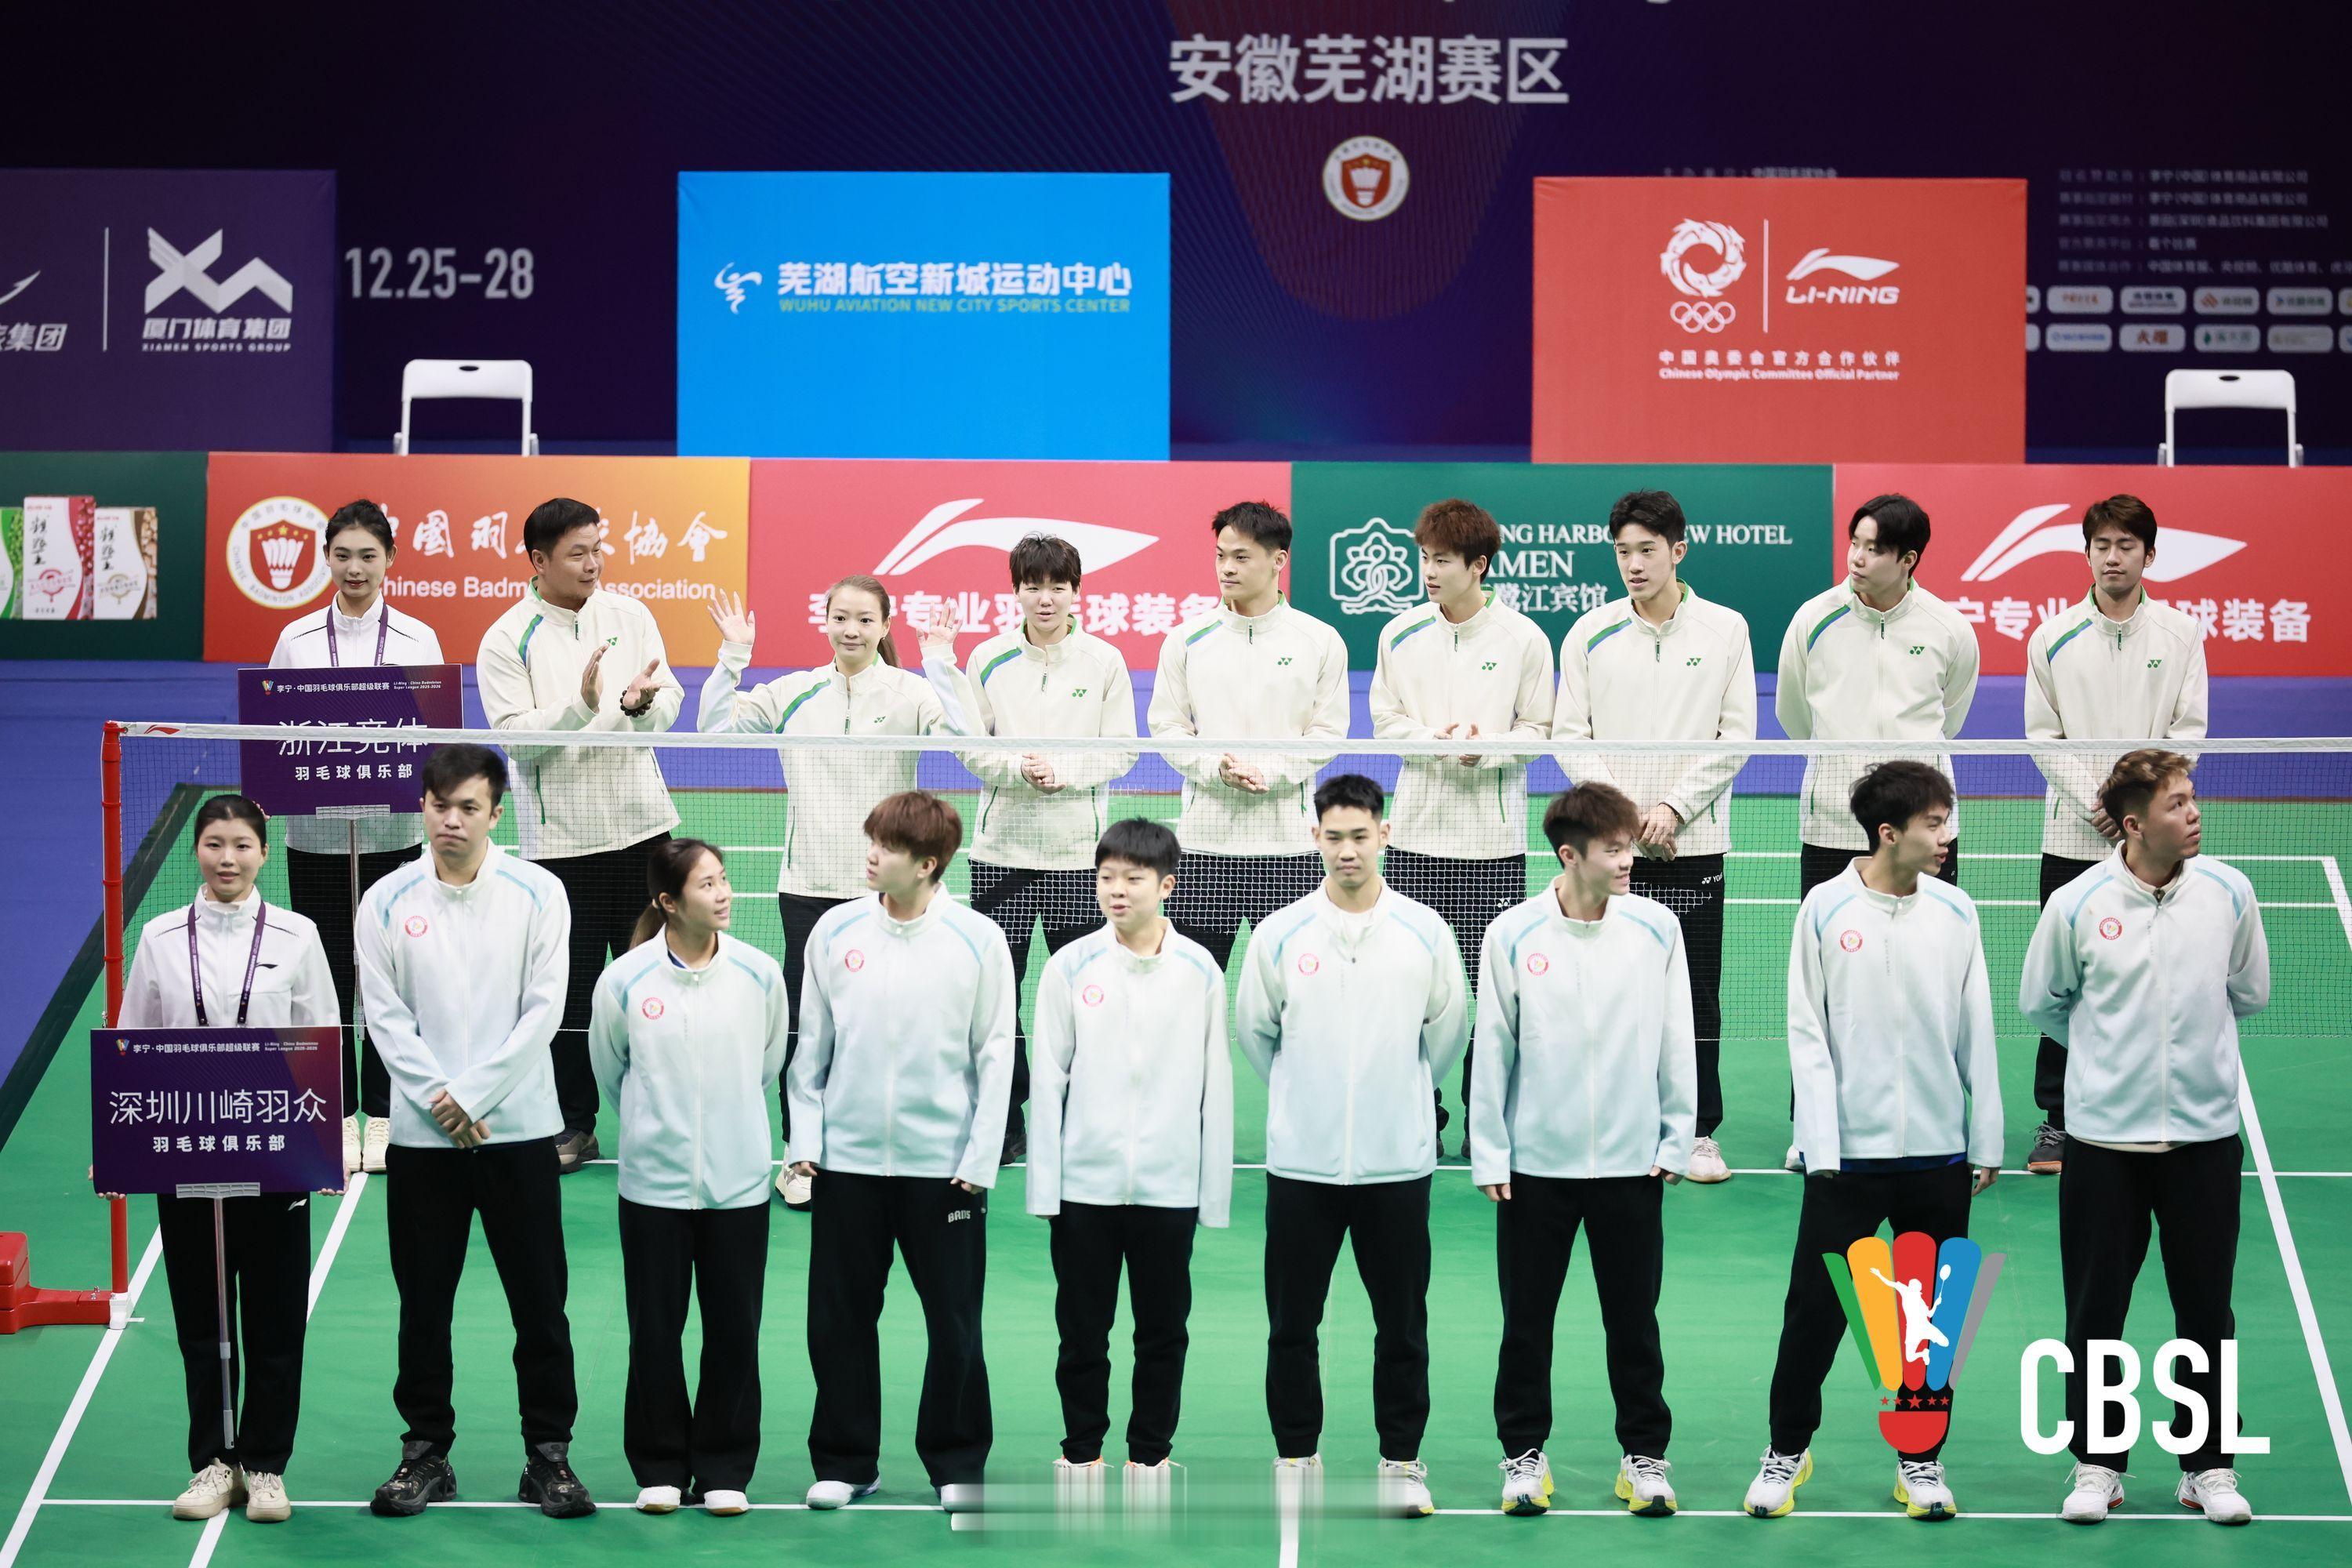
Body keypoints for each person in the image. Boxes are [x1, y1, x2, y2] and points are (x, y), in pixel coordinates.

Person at [1744, 761, 2000, 1523]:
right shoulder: (1825, 908)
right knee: (1814, 1313)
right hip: (1846, 1160)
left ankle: (1920, 1457)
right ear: (1889, 833)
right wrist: (1820, 1144)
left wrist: (1984, 1136)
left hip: (1937, 1155)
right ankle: (1787, 1449)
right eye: (1934, 823)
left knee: (1929, 1323)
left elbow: (1977, 1026)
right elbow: (1807, 1030)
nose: (1947, 836)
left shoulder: (1956, 911)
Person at [2021, 750, 2268, 1527]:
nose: (2194, 813)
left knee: (2207, 1310)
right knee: (2096, 1310)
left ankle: (2208, 1465)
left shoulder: (2229, 893)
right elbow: (2043, 1001)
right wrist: (2112, 1058)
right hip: (2103, 1143)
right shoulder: (2076, 902)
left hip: (2203, 1138)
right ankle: (2098, 1462)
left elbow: (2247, 991)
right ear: (2133, 824)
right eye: (2176, 804)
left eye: (2193, 799)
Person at [355, 743, 593, 1519]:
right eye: (439, 805)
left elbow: (544, 1008)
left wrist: (471, 1095)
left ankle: (548, 1456)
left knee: (540, 1303)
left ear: (496, 812)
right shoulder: (385, 900)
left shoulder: (538, 891)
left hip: (519, 1131)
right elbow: (384, 1016)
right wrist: (440, 1100)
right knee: (423, 1304)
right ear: (422, 807)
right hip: (424, 1139)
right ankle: (425, 1452)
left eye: (467, 807)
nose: (450, 820)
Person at [1237, 774, 1468, 1517]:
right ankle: (1295, 1455)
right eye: (1333, 837)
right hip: (1300, 1167)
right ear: (1315, 838)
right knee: (1290, 1326)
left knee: (1402, 1326)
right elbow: (1257, 1034)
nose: (1347, 850)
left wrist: (1400, 1096)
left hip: (1396, 1167)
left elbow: (1446, 1033)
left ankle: (1401, 1460)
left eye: (1360, 836)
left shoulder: (1425, 932)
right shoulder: (1280, 934)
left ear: (1384, 835)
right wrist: (1303, 1097)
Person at [786, 791, 1016, 1512]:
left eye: (886, 847)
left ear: (927, 864)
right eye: (873, 840)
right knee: (838, 1320)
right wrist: (804, 1142)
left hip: (943, 1172)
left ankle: (956, 1464)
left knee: (954, 1324)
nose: (871, 855)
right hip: (848, 1167)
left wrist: (979, 1158)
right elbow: (812, 1047)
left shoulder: (978, 940)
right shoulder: (834, 931)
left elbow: (996, 1055)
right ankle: (847, 1461)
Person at [1471, 782, 1695, 1519]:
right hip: (1536, 1168)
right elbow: (1493, 1047)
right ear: (1570, 856)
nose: (1629, 860)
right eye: (1614, 850)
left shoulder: (1657, 929)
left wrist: (1677, 1135)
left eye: (1630, 847)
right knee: (1525, 1324)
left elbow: (1677, 1037)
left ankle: (1645, 1456)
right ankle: (1523, 1456)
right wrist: (1490, 1150)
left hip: (1632, 1164)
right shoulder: (1512, 933)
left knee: (1634, 1322)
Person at [699, 575, 953, 1206]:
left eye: (865, 620)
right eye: (841, 617)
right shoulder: (792, 692)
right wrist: (733, 657)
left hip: (887, 891)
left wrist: (942, 664)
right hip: (809, 886)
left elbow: (963, 739)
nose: (851, 630)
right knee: (805, 1031)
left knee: (888, 1024)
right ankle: (801, 1156)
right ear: (826, 621)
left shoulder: (911, 693)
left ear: (885, 626)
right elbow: (713, 731)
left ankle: (880, 1150)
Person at [118, 795, 337, 1526]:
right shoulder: (159, 937)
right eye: (214, 844)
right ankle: (213, 1462)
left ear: (265, 853)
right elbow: (133, 1041)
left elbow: (320, 1038)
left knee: (275, 1317)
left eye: (242, 844)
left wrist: (324, 1151)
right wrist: (118, 1149)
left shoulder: (298, 935)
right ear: (197, 851)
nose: (228, 859)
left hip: (273, 1153)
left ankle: (266, 1466)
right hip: (188, 1153)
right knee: (203, 1320)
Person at [1552, 490, 1755, 1185]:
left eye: (1646, 550)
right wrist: (1618, 819)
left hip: (1691, 845)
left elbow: (1737, 735)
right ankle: (1619, 1123)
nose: (1634, 565)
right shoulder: (1590, 633)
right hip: (1611, 854)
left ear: (1678, 550)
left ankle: (1698, 1132)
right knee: (1609, 989)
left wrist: (1674, 806)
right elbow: (1570, 735)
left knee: (1696, 992)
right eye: (1622, 552)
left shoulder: (1726, 629)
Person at [478, 496, 683, 1174]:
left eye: (598, 549)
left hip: (642, 829)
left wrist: (644, 706)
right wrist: (582, 707)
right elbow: (517, 743)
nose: (593, 563)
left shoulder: (631, 615)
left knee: (655, 980)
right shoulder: (506, 639)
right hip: (561, 846)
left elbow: (669, 701)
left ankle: (661, 1118)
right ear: (539, 561)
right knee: (569, 994)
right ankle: (575, 1122)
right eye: (577, 553)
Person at [1028, 818, 1231, 1499]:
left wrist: (1211, 1195)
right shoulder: (1068, 966)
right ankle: (1081, 1453)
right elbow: (1048, 1078)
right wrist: (1046, 1191)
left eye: (1133, 879)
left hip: (1169, 1190)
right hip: (1084, 1191)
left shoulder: (1200, 970)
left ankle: (1150, 1457)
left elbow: (1216, 1083)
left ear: (1166, 886)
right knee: (1082, 1334)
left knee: (1163, 1333)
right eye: (1106, 877)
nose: (1116, 890)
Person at [922, 533, 1140, 1165]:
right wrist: (1019, 769)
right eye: (1033, 585)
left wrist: (1066, 772)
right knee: (998, 998)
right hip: (1003, 855)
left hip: (1078, 859)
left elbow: (1123, 749)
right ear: (1015, 590)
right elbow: (968, 744)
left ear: (1076, 591)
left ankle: (1083, 1116)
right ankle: (1006, 1119)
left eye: (1057, 586)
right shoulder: (988, 659)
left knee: (1086, 995)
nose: (1045, 598)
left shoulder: (1104, 661)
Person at [1775, 493, 1978, 1170]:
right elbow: (1795, 715)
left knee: (1926, 981)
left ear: (1908, 558)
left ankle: (1929, 1119)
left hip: (1924, 835)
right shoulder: (1814, 620)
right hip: (1834, 824)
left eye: (1874, 548)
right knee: (1826, 988)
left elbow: (1951, 715)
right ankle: (1814, 1127)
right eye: (1854, 543)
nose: (1857, 559)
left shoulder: (1949, 628)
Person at [590, 839, 787, 1517]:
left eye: (724, 879)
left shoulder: (759, 974)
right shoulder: (625, 980)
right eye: (708, 885)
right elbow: (612, 1070)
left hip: (739, 1186)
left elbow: (767, 1064)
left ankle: (725, 1466)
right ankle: (660, 1466)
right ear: (668, 902)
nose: (725, 893)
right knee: (654, 1331)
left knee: (734, 1329)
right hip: (653, 1187)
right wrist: (654, 1126)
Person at [2020, 497, 2209, 1177]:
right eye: (2101, 544)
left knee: (2158, 973)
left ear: (2149, 555)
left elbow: (2189, 732)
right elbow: (2043, 736)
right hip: (2074, 838)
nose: (2112, 556)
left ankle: (2154, 1101)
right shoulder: (2052, 636)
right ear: (2087, 552)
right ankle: (2059, 1119)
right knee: (2068, 983)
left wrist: (2141, 808)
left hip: (2155, 841)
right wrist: (2098, 803)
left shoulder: (2181, 634)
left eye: (2126, 545)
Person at [1369, 498, 1554, 1152]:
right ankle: (1416, 1109)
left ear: (1478, 566)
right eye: (1424, 558)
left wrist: (1489, 748)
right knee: (1406, 991)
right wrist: (1433, 741)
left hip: (1491, 849)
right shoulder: (1400, 634)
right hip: (1415, 841)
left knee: (1497, 996)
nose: (1428, 571)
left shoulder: (1524, 639)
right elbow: (1385, 720)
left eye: (1442, 561)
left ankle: (1488, 1117)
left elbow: (1539, 730)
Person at [268, 499, 446, 1178]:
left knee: (387, 976)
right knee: (327, 974)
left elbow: (434, 734)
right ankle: (338, 1111)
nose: (355, 568)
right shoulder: (296, 638)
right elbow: (272, 729)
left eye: (368, 555)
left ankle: (383, 1110)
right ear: (326, 558)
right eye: (342, 555)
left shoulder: (418, 640)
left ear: (390, 559)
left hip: (391, 834)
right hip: (314, 835)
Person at [1149, 501, 1349, 971]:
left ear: (1279, 560)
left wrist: (1269, 773)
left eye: (1241, 557)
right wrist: (1216, 769)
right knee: (1191, 984)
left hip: (1289, 850)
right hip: (1204, 850)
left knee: (1295, 985)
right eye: (1221, 556)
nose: (1227, 568)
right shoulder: (1186, 640)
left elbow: (1327, 732)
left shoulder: (1320, 640)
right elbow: (1168, 726)